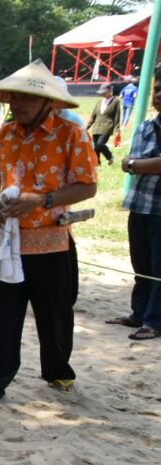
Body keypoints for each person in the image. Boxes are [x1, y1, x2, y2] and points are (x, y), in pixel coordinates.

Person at [0, 61, 97, 403]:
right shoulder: (4, 134)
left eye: (26, 99)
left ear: (48, 102)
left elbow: (87, 187)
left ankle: (58, 370)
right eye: (13, 99)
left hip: (51, 242)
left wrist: (44, 200)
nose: (17, 105)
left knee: (55, 314)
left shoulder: (71, 134)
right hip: (6, 240)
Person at [114, 79, 161, 341]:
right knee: (141, 264)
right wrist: (139, 163)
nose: (159, 96)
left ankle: (154, 321)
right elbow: (126, 162)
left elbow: (135, 163)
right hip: (141, 205)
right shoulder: (145, 126)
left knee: (158, 267)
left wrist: (137, 164)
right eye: (157, 90)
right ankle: (139, 313)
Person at [88, 83, 121, 165]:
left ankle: (110, 157)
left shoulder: (116, 101)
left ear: (110, 91)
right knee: (94, 146)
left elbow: (117, 116)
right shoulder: (99, 101)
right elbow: (93, 115)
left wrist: (117, 130)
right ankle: (97, 162)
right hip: (96, 127)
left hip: (107, 127)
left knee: (100, 144)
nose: (102, 94)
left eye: (104, 92)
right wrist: (87, 127)